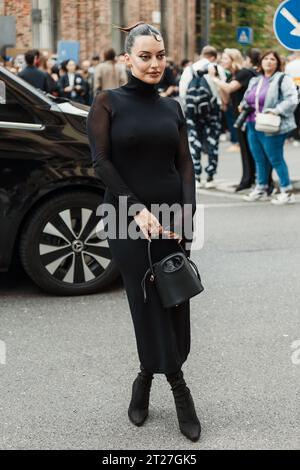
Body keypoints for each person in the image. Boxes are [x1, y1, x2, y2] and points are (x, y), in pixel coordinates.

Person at [87, 21, 201, 442]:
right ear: (127, 59)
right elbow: (101, 161)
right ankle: (177, 387)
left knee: (175, 299)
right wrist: (135, 210)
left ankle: (145, 376)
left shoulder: (172, 107)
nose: (155, 64)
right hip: (125, 216)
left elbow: (185, 164)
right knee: (146, 303)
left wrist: (187, 216)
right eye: (145, 56)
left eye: (160, 55)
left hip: (172, 216)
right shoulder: (107, 102)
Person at [240, 51, 298, 205]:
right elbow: (248, 99)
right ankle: (261, 188)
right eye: (266, 58)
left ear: (278, 63)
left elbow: (292, 99)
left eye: (273, 59)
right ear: (261, 62)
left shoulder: (283, 79)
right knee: (259, 159)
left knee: (275, 158)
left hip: (272, 125)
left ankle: (287, 191)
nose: (269, 62)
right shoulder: (255, 80)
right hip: (253, 124)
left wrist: (276, 110)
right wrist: (242, 105)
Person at [208, 48, 258, 191]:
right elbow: (226, 99)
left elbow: (230, 88)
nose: (222, 61)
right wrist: (219, 84)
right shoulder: (233, 76)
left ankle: (250, 180)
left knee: (252, 150)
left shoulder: (244, 73)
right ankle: (248, 179)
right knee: (245, 149)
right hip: (239, 118)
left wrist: (215, 79)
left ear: (233, 59)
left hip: (249, 117)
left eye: (224, 58)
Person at [182, 46, 226, 188]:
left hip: (192, 111)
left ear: (202, 55)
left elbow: (183, 93)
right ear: (213, 57)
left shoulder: (189, 69)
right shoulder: (216, 68)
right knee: (212, 141)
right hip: (213, 110)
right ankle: (210, 176)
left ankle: (196, 176)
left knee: (194, 142)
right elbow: (222, 89)